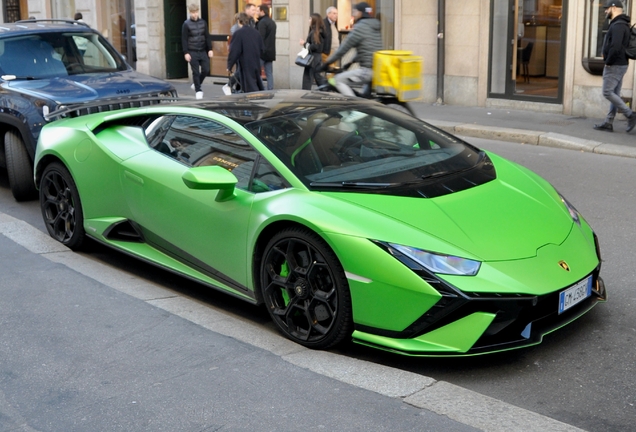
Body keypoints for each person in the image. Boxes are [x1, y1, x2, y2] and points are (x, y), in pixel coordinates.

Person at [319, 2, 382, 97]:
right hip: (378, 69)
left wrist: (327, 63)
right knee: (365, 97)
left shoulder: (360, 27)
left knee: (337, 80)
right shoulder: (373, 26)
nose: (353, 14)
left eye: (355, 11)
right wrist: (351, 62)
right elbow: (367, 49)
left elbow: (343, 49)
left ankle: (354, 110)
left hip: (367, 71)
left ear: (360, 13)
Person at [594, 0, 636, 133]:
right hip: (620, 63)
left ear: (614, 8)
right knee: (615, 93)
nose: (605, 11)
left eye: (607, 9)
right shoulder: (621, 24)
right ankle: (608, 122)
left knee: (607, 92)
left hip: (615, 64)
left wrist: (608, 61)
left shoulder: (618, 25)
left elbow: (616, 46)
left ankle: (630, 115)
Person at [182, 3, 213, 100]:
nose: (194, 14)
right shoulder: (186, 24)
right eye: (192, 13)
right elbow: (184, 39)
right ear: (189, 12)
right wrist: (186, 52)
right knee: (195, 72)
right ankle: (198, 90)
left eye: (196, 12)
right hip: (192, 51)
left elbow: (207, 36)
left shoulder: (203, 22)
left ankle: (196, 84)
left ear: (198, 12)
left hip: (202, 50)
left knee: (206, 69)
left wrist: (210, 49)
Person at [227, 13, 264, 93]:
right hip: (256, 62)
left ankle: (252, 102)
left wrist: (229, 66)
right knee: (255, 83)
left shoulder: (238, 33)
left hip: (245, 63)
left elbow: (234, 51)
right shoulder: (256, 33)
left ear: (239, 21)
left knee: (250, 87)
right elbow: (261, 48)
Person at [300, 13, 327, 90]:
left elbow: (315, 46)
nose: (309, 20)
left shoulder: (315, 32)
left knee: (308, 76)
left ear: (314, 20)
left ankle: (305, 92)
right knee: (317, 76)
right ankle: (326, 89)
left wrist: (304, 44)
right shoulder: (319, 31)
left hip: (313, 58)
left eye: (310, 19)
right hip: (317, 57)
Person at [257, 5, 277, 90]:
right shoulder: (272, 22)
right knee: (269, 73)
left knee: (257, 72)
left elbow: (260, 37)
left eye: (258, 11)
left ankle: (263, 89)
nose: (257, 13)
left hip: (262, 52)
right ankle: (270, 89)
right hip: (270, 52)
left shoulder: (262, 23)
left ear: (262, 11)